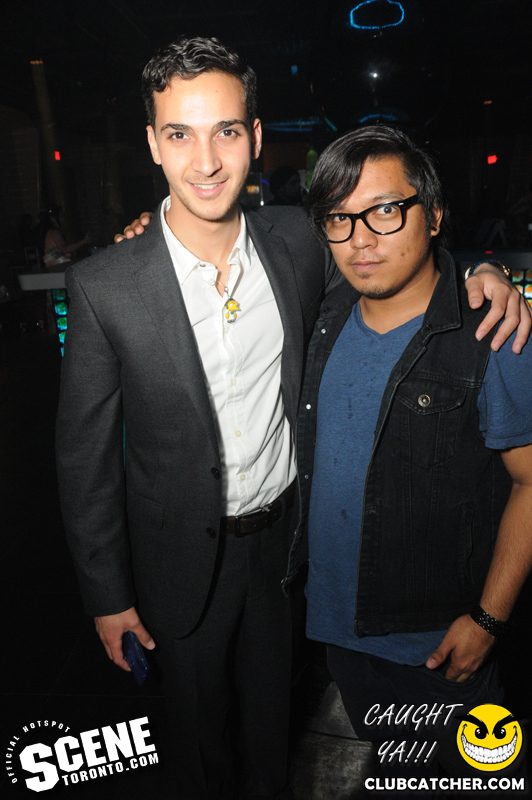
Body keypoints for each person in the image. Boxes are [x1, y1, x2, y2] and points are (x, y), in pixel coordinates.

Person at [57, 36, 528, 800]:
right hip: (176, 567)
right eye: (180, 134)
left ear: (255, 137)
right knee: (198, 745)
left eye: (226, 131)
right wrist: (107, 596)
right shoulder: (105, 284)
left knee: (273, 729)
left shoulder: (299, 242)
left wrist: (481, 269)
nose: (206, 161)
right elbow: (83, 460)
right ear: (152, 143)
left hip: (285, 555)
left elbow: (393, 241)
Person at [291, 125, 532, 783]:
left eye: (385, 211)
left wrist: (488, 620)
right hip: (339, 634)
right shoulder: (323, 318)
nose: (360, 239)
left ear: (434, 215)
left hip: (441, 647)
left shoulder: (492, 333)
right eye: (339, 218)